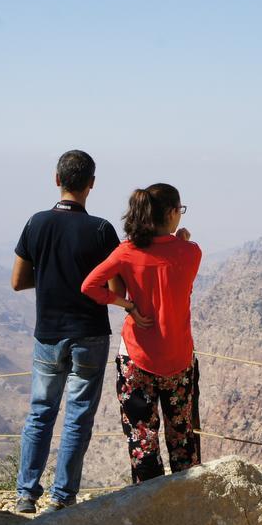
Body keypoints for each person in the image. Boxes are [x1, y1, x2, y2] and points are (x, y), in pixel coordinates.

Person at [10, 150, 135, 514]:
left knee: (40, 413)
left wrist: (51, 279)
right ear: (91, 184)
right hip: (90, 334)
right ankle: (62, 498)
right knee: (78, 416)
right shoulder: (100, 230)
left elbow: (18, 281)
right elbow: (118, 290)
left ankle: (25, 495)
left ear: (56, 179)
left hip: (48, 333)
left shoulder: (36, 223)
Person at [81, 183, 202, 483]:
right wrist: (182, 239)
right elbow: (175, 258)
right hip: (178, 359)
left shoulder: (126, 252)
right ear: (173, 213)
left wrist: (127, 305)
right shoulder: (191, 252)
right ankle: (189, 501)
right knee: (182, 438)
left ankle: (150, 505)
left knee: (142, 440)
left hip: (136, 359)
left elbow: (89, 286)